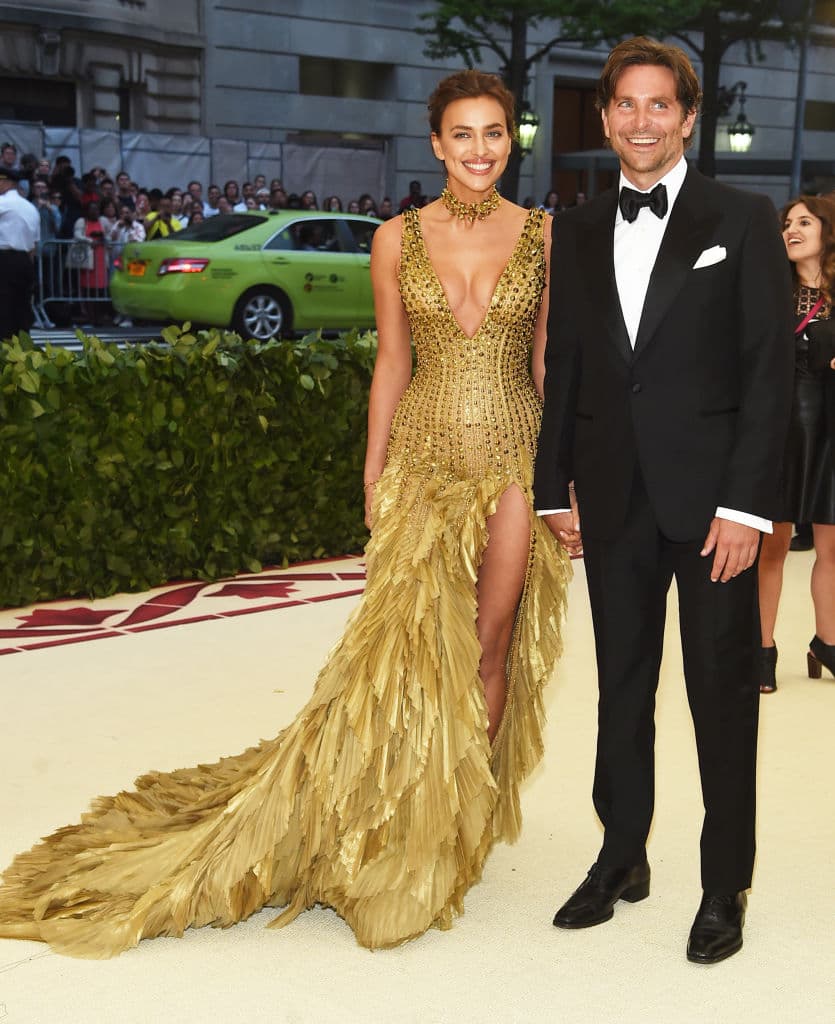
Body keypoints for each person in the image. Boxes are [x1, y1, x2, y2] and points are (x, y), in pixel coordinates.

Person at [0, 68, 570, 960]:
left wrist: (564, 481)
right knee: (406, 649)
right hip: (420, 457)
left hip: (511, 456)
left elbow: (545, 366)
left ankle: (457, 823)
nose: (479, 150)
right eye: (462, 134)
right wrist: (371, 471)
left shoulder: (542, 237)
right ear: (435, 144)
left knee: (490, 645)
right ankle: (390, 812)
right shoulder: (393, 239)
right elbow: (389, 362)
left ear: (511, 139)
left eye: (494, 133)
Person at [534, 36, 794, 965]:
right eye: (624, 105)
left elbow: (768, 374)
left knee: (720, 695)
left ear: (688, 117)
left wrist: (745, 506)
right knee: (621, 689)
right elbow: (563, 362)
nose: (641, 121)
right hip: (610, 494)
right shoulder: (573, 226)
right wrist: (548, 489)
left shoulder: (744, 216)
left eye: (659, 106)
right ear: (604, 118)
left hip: (713, 503)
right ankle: (620, 857)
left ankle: (723, 883)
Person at [758, 195, 835, 691]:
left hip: (832, 431)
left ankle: (826, 642)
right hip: (778, 430)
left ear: (828, 232)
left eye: (804, 221)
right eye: (787, 223)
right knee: (772, 547)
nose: (791, 229)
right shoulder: (769, 292)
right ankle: (761, 649)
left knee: (833, 546)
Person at [0, 168, 41, 342]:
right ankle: (22, 357)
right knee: (22, 309)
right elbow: (34, 245)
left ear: (4, 182)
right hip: (25, 260)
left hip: (5, 259)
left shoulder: (3, 202)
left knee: (4, 310)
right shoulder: (31, 207)